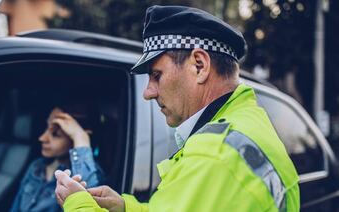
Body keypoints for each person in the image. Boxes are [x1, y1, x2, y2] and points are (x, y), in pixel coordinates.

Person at [54, 5, 300, 212]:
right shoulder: (244, 126)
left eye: (156, 75)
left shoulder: (214, 155)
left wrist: (78, 204)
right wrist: (127, 207)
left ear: (199, 65)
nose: (148, 92)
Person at [10, 107, 104, 212]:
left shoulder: (91, 175)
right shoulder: (36, 166)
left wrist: (80, 137)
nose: (42, 138)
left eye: (55, 134)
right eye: (46, 128)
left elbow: (88, 205)